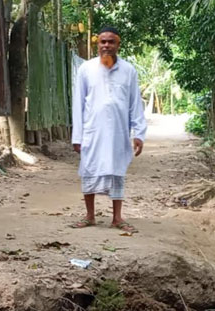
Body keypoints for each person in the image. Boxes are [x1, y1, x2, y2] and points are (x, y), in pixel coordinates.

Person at [70, 27, 147, 233]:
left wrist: (138, 133)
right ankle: (90, 216)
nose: (106, 45)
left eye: (110, 42)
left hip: (118, 132)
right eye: (102, 42)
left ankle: (117, 218)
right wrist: (77, 136)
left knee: (117, 171)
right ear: (97, 44)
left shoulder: (128, 71)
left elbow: (135, 104)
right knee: (89, 170)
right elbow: (78, 104)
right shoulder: (86, 69)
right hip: (92, 132)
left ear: (117, 45)